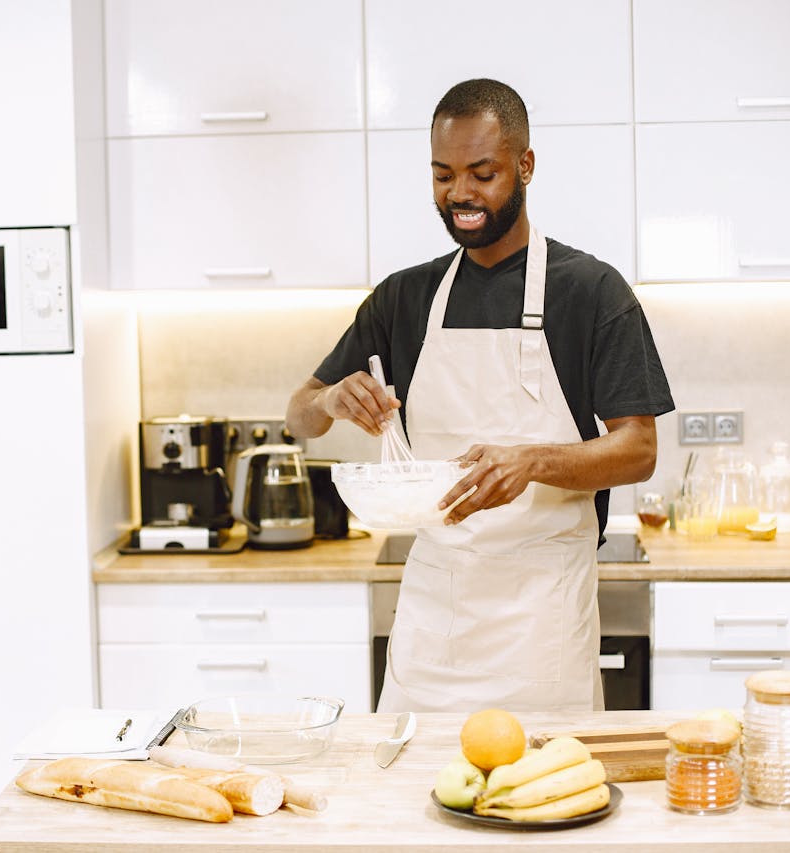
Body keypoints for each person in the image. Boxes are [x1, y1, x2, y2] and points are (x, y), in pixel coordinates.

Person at [285, 79, 674, 714]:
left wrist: (532, 462)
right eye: (442, 175)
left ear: (525, 165)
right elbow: (298, 415)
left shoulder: (593, 292)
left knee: (539, 798)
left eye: (482, 173)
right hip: (434, 619)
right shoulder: (404, 298)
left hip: (542, 623)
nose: (459, 194)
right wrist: (330, 403)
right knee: (410, 800)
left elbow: (639, 449)